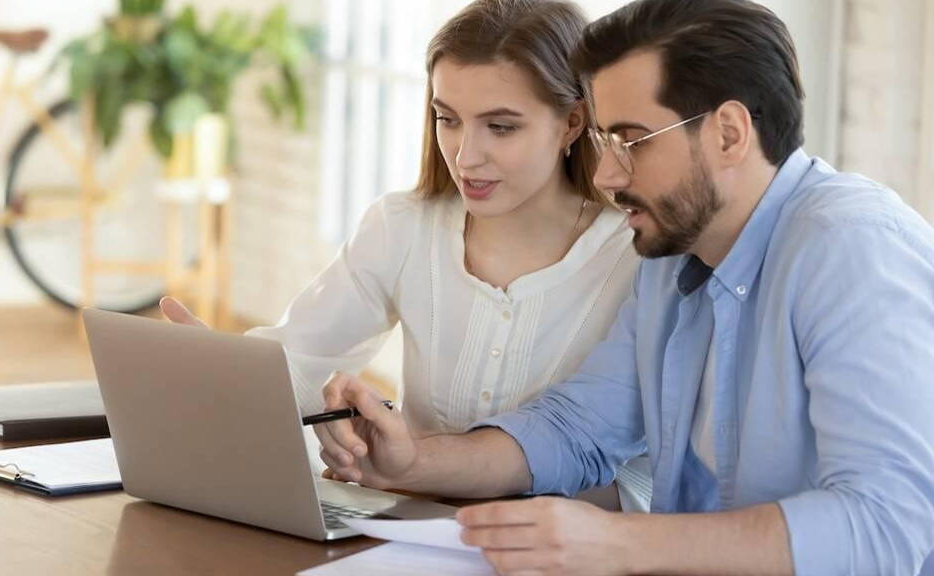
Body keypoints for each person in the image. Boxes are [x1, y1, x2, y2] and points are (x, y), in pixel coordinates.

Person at [314, 0, 934, 574]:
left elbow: (892, 524)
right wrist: (414, 462)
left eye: (632, 141)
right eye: (607, 141)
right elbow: (577, 428)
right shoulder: (674, 254)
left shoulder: (852, 246)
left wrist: (615, 542)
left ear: (727, 134)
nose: (608, 174)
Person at [162, 0, 653, 511]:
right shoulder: (404, 226)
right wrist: (223, 374)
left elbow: (639, 477)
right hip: (412, 535)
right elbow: (298, 362)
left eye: (501, 127)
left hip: (568, 551)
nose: (465, 155)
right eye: (448, 118)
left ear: (572, 122)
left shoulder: (638, 255)